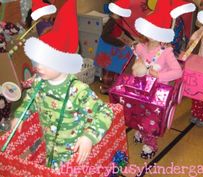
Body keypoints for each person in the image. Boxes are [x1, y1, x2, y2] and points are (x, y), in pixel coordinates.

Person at [11, 0, 113, 169]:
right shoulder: (39, 83)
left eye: (46, 62)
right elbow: (30, 100)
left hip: (73, 155)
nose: (38, 67)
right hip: (50, 151)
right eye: (37, 62)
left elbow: (105, 112)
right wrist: (20, 115)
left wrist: (89, 137)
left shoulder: (77, 90)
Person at [131, 0, 183, 159]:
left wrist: (159, 76)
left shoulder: (166, 52)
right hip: (141, 89)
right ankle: (140, 130)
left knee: (151, 119)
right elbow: (136, 65)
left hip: (158, 92)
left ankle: (150, 143)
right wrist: (136, 68)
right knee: (138, 112)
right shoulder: (140, 47)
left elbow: (178, 72)